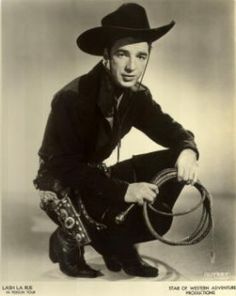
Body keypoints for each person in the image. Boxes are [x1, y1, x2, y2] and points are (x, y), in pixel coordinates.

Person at [34, 3, 199, 278]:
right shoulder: (72, 99)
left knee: (172, 161)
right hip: (61, 181)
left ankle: (118, 243)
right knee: (106, 198)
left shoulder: (136, 96)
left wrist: (188, 150)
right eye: (123, 54)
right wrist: (125, 191)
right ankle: (66, 237)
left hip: (93, 176)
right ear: (106, 56)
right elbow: (65, 167)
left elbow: (174, 132)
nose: (132, 66)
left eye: (141, 56)